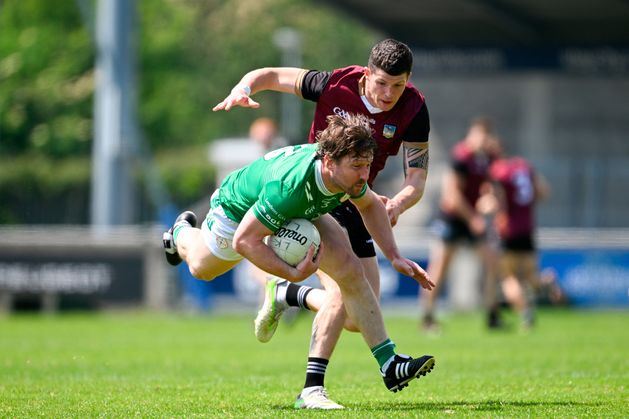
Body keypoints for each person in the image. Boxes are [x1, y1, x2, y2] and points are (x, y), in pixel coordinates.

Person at [162, 114, 435, 409]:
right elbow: (244, 241)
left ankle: (388, 363)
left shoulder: (349, 177)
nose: (364, 174)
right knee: (201, 268)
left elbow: (370, 205)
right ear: (330, 162)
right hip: (236, 211)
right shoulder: (290, 187)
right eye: (357, 166)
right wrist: (290, 273)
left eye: (367, 165)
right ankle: (181, 233)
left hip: (302, 209)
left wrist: (394, 256)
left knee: (350, 270)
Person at [213, 38, 431, 408]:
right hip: (316, 195)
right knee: (342, 286)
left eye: (398, 85)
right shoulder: (335, 84)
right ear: (366, 74)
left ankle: (287, 295)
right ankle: (313, 388)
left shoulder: (414, 108)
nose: (388, 94)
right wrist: (243, 87)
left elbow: (417, 178)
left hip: (361, 198)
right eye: (381, 83)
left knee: (359, 313)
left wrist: (396, 204)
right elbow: (272, 74)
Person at [420, 117, 500, 332]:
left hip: (474, 219)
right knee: (439, 268)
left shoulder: (488, 157)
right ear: (471, 135)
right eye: (479, 136)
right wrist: (473, 218)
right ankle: (427, 317)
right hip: (453, 219)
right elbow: (452, 195)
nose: (482, 141)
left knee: (492, 261)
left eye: (486, 137)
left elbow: (488, 186)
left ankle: (493, 315)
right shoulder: (461, 156)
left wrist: (489, 198)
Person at [486, 146, 552, 329]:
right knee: (530, 275)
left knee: (508, 277)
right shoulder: (524, 167)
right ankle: (546, 282)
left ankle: (525, 313)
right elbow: (543, 192)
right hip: (527, 227)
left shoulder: (498, 171)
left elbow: (494, 201)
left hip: (508, 230)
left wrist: (488, 209)